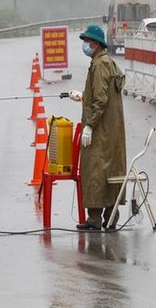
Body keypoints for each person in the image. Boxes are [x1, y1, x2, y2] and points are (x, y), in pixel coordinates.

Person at [68, 25, 126, 230]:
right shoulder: (105, 62)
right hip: (111, 130)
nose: (85, 45)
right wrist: (82, 98)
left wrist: (89, 126)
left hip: (101, 129)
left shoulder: (100, 65)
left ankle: (99, 219)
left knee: (95, 170)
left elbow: (100, 101)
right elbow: (101, 97)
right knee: (108, 171)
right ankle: (106, 218)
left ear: (96, 44)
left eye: (87, 42)